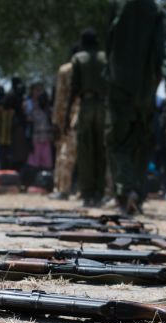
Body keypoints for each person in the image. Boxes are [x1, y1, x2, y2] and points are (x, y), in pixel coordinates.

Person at [105, 0, 165, 214]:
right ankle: (137, 194)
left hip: (119, 83)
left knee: (117, 141)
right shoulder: (154, 9)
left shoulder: (119, 4)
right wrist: (154, 80)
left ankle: (125, 190)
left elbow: (109, 39)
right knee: (141, 140)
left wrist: (110, 73)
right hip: (144, 86)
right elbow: (160, 51)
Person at [69, 29, 107, 206]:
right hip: (104, 107)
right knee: (101, 150)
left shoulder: (78, 58)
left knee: (86, 150)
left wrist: (68, 112)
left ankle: (87, 193)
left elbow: (74, 88)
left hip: (87, 105)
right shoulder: (105, 58)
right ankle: (100, 192)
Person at [50, 45, 80, 200]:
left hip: (69, 119)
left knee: (65, 155)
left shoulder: (65, 70)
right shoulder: (98, 66)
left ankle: (62, 189)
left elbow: (60, 98)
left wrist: (56, 121)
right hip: (91, 115)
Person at [27, 91, 53, 171]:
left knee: (47, 162)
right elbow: (30, 126)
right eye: (41, 99)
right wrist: (29, 141)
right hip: (36, 139)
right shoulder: (34, 111)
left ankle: (44, 179)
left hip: (47, 139)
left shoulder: (50, 111)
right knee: (35, 162)